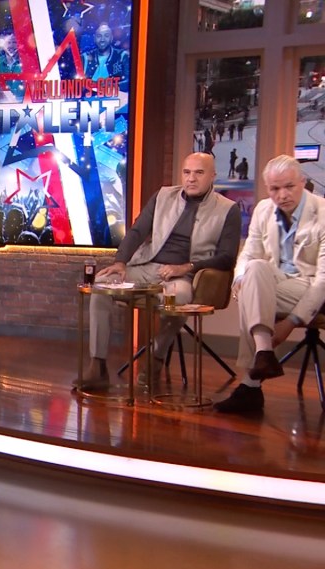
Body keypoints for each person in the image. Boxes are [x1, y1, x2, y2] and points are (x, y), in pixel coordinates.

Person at [78, 152, 241, 388]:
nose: (191, 178)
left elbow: (227, 257)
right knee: (100, 286)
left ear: (212, 176)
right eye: (187, 172)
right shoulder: (164, 196)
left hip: (185, 276)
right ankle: (98, 366)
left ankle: (156, 357)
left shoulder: (227, 209)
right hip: (147, 266)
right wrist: (121, 262)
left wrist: (187, 267)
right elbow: (137, 231)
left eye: (199, 173)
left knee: (180, 298)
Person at [216, 155, 325, 413]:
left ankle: (250, 387)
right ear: (267, 188)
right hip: (278, 281)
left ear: (303, 182)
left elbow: (323, 279)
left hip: (313, 286)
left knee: (252, 296)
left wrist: (290, 323)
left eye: (289, 186)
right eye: (275, 189)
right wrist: (240, 278)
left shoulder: (322, 212)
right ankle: (264, 352)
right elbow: (249, 253)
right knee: (254, 269)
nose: (282, 195)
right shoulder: (264, 209)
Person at [83, 23, 130, 92]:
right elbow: (75, 82)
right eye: (99, 36)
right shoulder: (85, 57)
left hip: (115, 97)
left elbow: (129, 81)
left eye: (106, 36)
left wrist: (107, 87)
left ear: (111, 38)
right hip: (88, 97)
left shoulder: (122, 56)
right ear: (94, 39)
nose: (102, 39)